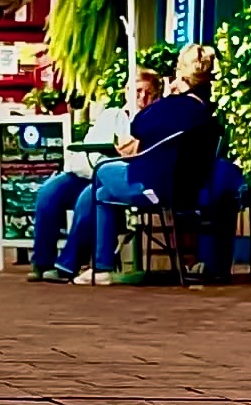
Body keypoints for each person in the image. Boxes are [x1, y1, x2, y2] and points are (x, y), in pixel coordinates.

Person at [47, 45, 217, 284]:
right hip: (190, 190)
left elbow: (137, 126)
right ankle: (96, 266)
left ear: (179, 73)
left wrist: (168, 96)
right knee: (100, 193)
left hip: (154, 190)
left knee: (103, 170)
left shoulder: (169, 107)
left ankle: (90, 265)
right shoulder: (207, 110)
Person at [29, 74, 162, 280]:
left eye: (147, 93)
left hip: (119, 177)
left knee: (89, 196)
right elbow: (86, 149)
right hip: (88, 170)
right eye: (135, 91)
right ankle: (41, 262)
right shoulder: (112, 115)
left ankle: (67, 266)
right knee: (50, 191)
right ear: (125, 93)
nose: (141, 97)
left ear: (156, 96)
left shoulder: (153, 120)